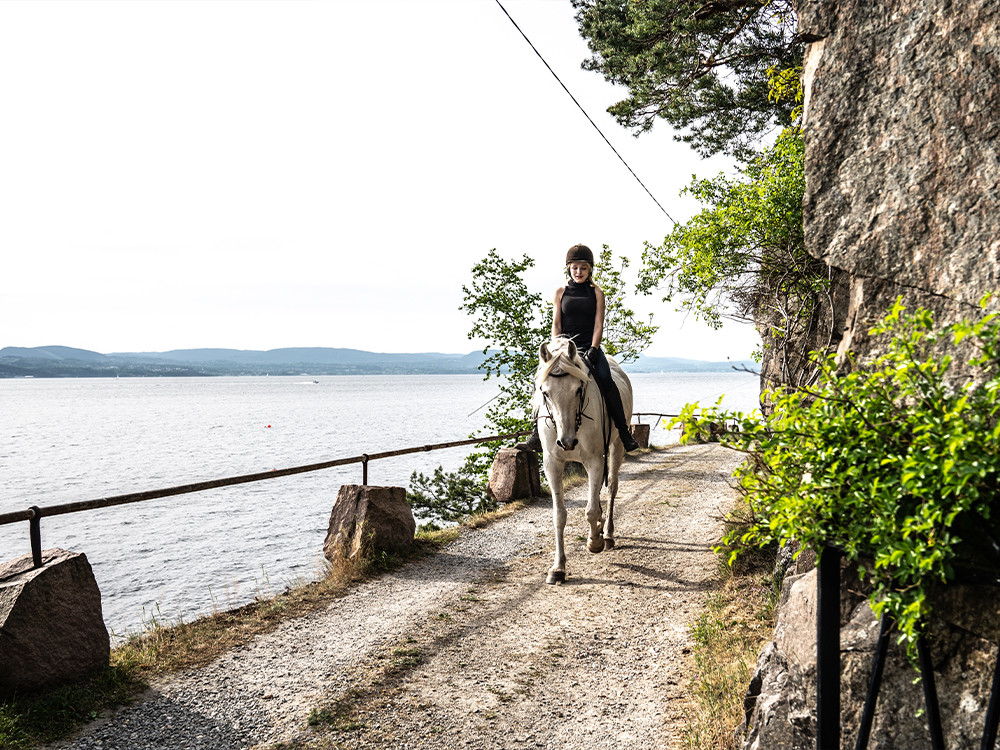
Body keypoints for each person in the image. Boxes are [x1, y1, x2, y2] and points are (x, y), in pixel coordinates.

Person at [517, 244, 640, 453]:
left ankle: (623, 432)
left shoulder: (597, 293)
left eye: (583, 268)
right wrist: (555, 348)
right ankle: (536, 435)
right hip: (563, 351)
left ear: (589, 269)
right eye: (575, 267)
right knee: (540, 382)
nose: (579, 272)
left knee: (607, 381)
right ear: (569, 269)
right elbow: (556, 324)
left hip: (588, 348)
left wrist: (594, 347)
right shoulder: (560, 292)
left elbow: (599, 324)